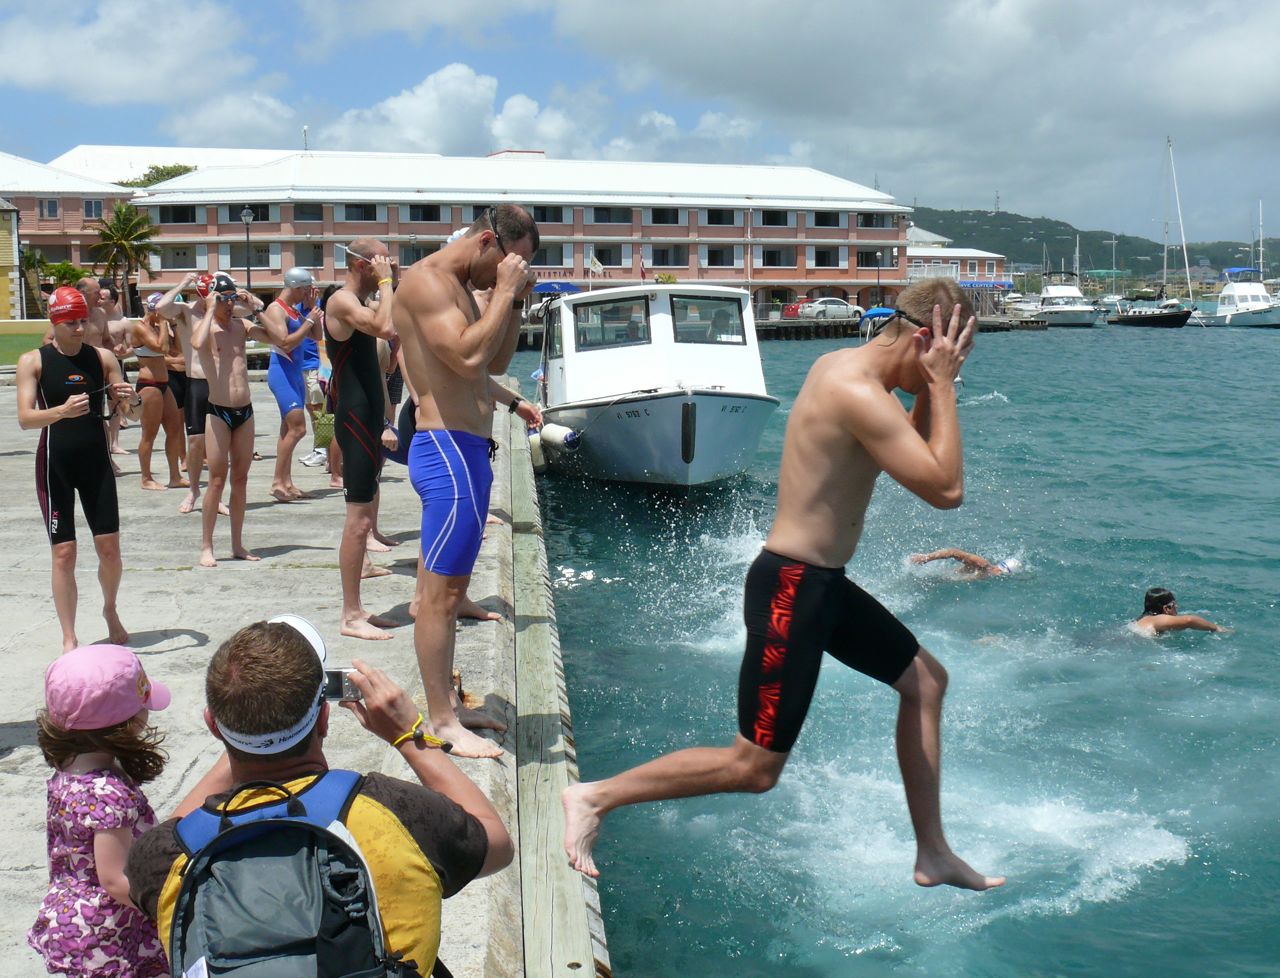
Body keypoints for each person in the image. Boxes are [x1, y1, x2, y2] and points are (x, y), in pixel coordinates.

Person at [561, 279, 1005, 892]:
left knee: (926, 682)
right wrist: (946, 384)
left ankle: (932, 852)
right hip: (794, 587)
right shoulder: (855, 391)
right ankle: (593, 797)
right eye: (956, 353)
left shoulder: (844, 369)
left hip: (818, 584)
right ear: (927, 338)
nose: (955, 367)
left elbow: (906, 445)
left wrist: (932, 386)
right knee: (754, 767)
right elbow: (945, 491)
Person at [125, 618, 514, 977]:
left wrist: (240, 738)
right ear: (324, 719)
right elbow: (496, 842)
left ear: (213, 726)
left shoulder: (163, 857)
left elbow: (170, 835)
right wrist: (408, 736)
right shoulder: (393, 810)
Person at [393, 205, 539, 757]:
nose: (509, 273)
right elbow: (463, 355)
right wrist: (501, 293)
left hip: (470, 450)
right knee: (438, 596)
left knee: (451, 591)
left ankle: (448, 708)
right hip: (447, 450)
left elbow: (492, 360)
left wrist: (514, 298)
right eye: (510, 262)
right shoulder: (427, 281)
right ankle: (438, 721)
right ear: (487, 242)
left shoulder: (461, 286)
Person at [29, 643, 172, 978]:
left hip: (72, 916)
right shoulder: (107, 792)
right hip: (109, 933)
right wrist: (168, 904)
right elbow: (114, 878)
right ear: (130, 722)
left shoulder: (67, 770)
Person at [17, 286, 141, 651]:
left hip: (96, 463)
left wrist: (131, 400)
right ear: (55, 322)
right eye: (71, 322)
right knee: (64, 552)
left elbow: (129, 414)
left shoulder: (102, 358)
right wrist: (61, 412)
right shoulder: (34, 361)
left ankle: (110, 608)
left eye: (83, 320)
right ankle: (69, 636)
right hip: (56, 463)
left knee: (110, 550)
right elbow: (25, 418)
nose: (79, 328)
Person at [324, 239, 400, 639]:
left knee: (365, 517)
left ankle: (358, 609)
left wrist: (393, 282)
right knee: (357, 523)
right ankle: (349, 615)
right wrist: (387, 281)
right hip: (353, 418)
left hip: (369, 417)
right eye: (380, 259)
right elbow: (384, 327)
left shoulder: (364, 303)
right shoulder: (340, 301)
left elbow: (396, 325)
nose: (386, 264)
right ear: (358, 263)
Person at [188, 273, 276, 566]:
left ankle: (237, 544)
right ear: (213, 299)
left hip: (245, 411)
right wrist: (211, 307)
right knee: (216, 480)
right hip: (218, 411)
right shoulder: (207, 328)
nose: (229, 304)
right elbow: (195, 341)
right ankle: (206, 546)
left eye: (231, 299)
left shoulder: (242, 325)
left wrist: (257, 306)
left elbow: (277, 337)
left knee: (241, 480)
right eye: (224, 299)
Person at [154, 273, 240, 517]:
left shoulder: (226, 312)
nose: (210, 300)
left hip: (220, 385)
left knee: (220, 445)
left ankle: (217, 495)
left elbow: (252, 307)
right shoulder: (186, 311)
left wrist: (229, 285)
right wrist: (183, 282)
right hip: (198, 383)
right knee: (195, 442)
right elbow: (161, 307)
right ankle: (193, 490)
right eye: (207, 296)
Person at [262, 268, 324, 502]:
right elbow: (285, 343)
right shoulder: (275, 309)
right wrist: (308, 321)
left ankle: (286, 482)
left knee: (287, 430)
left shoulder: (296, 311)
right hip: (282, 373)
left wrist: (310, 308)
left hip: (294, 374)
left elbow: (316, 335)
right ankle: (277, 481)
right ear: (297, 287)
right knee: (298, 429)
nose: (308, 293)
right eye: (306, 290)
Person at [130, 293, 188, 492]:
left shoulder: (158, 327)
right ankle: (146, 478)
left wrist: (172, 326)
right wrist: (164, 323)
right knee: (149, 434)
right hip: (149, 384)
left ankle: (175, 476)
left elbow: (178, 351)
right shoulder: (140, 327)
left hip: (164, 384)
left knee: (174, 430)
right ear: (154, 310)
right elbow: (162, 348)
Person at [1133, 587, 1224, 635]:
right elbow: (1190, 620)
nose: (1177, 607)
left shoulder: (1141, 620)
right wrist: (1216, 628)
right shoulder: (1156, 620)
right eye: (1174, 604)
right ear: (1166, 608)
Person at [910, 548, 1021, 577]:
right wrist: (926, 558)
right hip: (937, 579)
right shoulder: (983, 565)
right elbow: (953, 552)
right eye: (1001, 572)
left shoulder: (989, 575)